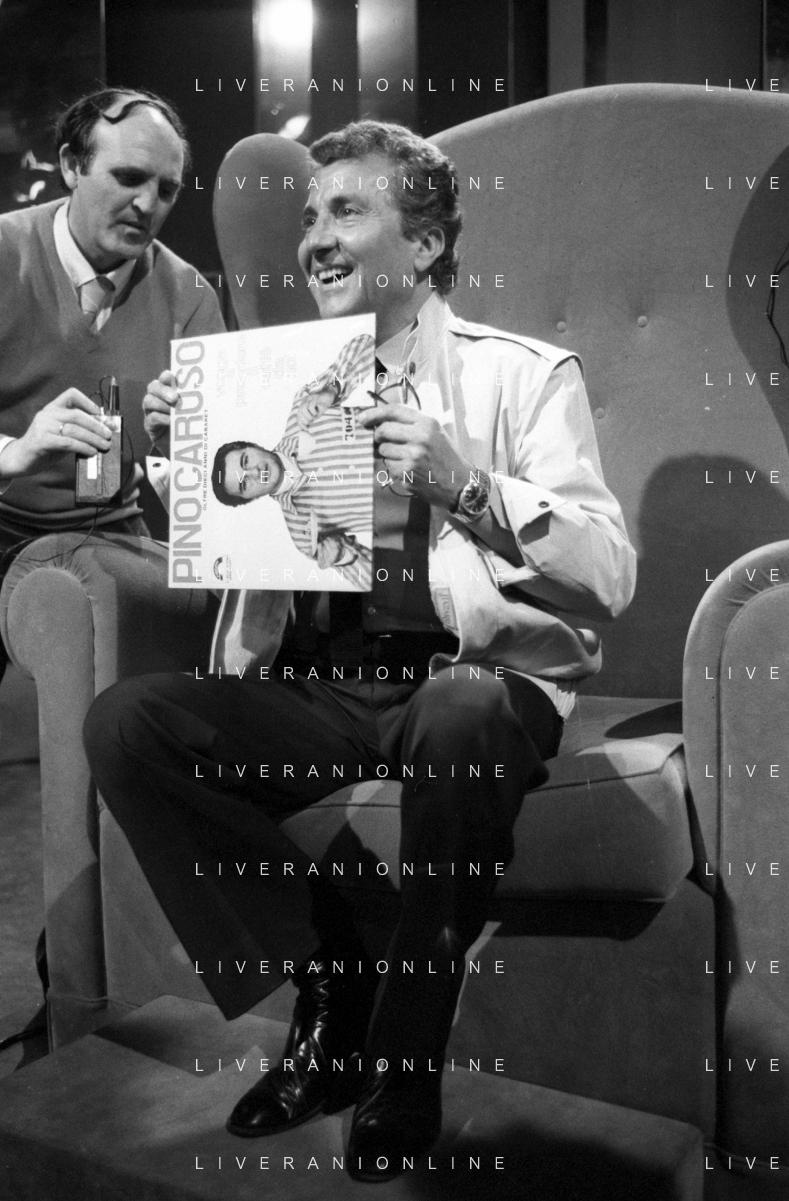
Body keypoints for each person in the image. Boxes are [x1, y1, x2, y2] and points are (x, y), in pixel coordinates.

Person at [84, 120, 637, 1183]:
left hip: (471, 681)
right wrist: (181, 453)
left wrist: (462, 483)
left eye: (346, 210)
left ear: (423, 246)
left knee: (462, 708)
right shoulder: (269, 378)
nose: (315, 238)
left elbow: (607, 572)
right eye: (308, 217)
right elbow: (229, 548)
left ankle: (402, 1059)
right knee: (129, 722)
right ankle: (333, 978)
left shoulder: (520, 376)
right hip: (322, 685)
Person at [0, 86, 224, 677]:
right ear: (72, 166)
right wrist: (13, 452)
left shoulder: (190, 297)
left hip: (110, 530)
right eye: (128, 178)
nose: (147, 204)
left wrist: (182, 448)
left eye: (166, 190)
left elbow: (220, 479)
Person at [210, 332, 376, 574]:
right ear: (249, 499)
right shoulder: (303, 536)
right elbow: (368, 575)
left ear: (252, 445)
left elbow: (367, 343)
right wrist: (342, 555)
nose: (254, 472)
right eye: (244, 484)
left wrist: (331, 390)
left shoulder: (302, 403)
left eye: (245, 460)